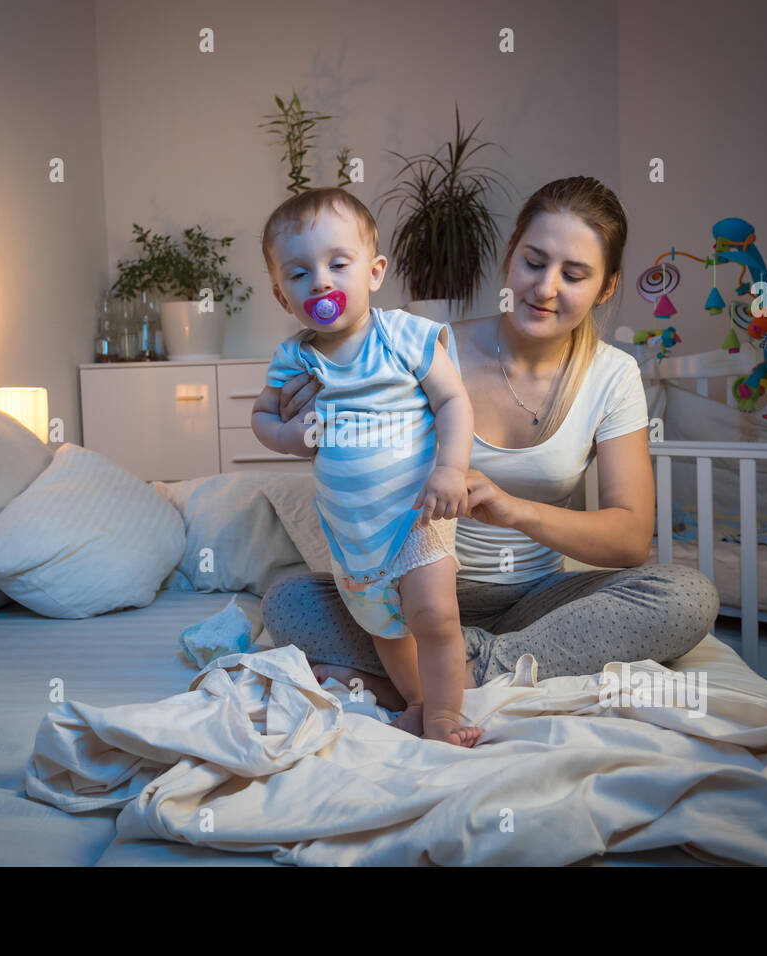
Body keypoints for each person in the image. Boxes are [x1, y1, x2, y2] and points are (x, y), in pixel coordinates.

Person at [262, 176, 721, 737]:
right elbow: (356, 463)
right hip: (412, 583)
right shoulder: (426, 344)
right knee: (287, 598)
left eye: (574, 275)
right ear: (510, 258)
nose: (546, 288)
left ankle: (452, 674)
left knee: (686, 597)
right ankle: (460, 673)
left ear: (606, 287)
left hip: (535, 600)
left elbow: (628, 540)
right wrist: (302, 425)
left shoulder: (613, 374)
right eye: (533, 262)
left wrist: (512, 509)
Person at [251, 187, 482, 747]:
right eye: (300, 273)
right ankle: (418, 702)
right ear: (284, 297)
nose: (322, 282)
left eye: (337, 263)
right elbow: (260, 417)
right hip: (351, 530)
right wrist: (288, 435)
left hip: (416, 515)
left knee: (432, 615)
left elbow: (454, 401)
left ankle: (446, 718)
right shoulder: (295, 359)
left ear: (374, 272)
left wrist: (451, 470)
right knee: (382, 627)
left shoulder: (403, 334)